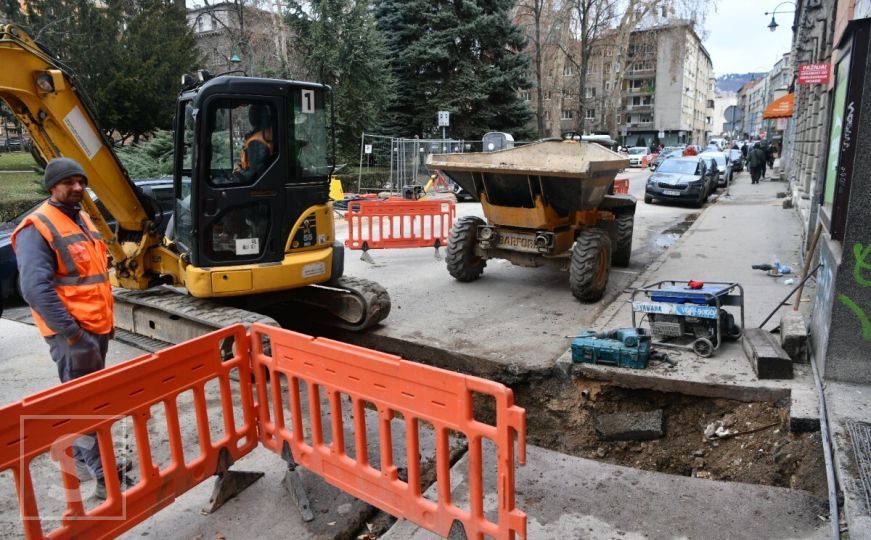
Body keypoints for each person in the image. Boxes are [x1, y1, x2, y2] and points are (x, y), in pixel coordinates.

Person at [11, 157, 130, 500]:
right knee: (86, 405)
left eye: (81, 181)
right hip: (74, 335)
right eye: (69, 182)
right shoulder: (38, 226)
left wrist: (102, 327)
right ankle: (105, 475)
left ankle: (81, 456)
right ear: (52, 186)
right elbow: (35, 289)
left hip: (94, 328)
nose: (77, 187)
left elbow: (91, 277)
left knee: (87, 399)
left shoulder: (80, 217)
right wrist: (73, 333)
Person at [235, 103, 275, 182]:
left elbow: (256, 175)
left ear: (252, 119)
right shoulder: (269, 133)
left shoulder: (256, 142)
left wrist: (239, 173)